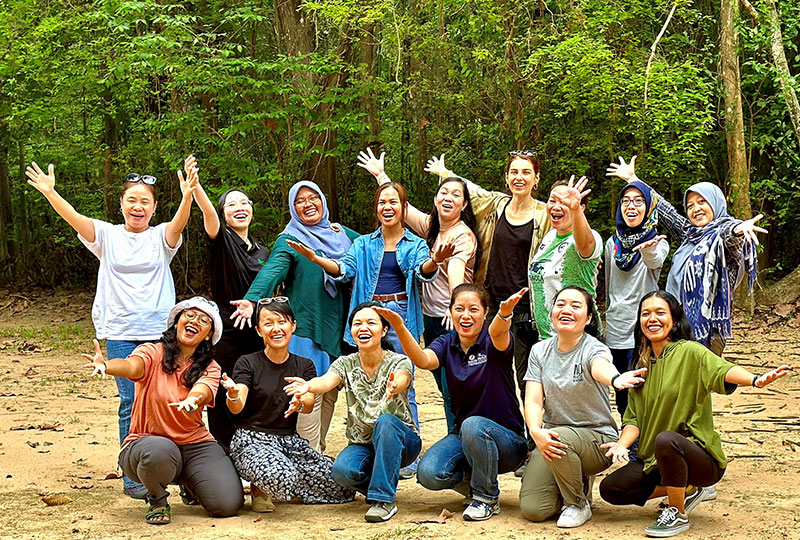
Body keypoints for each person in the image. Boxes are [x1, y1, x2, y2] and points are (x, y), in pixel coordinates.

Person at [27, 160, 196, 499]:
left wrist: (188, 195)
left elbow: (179, 224)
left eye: (145, 201)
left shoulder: (161, 237)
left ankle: (178, 472)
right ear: (121, 204)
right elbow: (73, 217)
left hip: (160, 333)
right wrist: (50, 192)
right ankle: (134, 474)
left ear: (153, 207)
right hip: (120, 331)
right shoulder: (106, 235)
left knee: (172, 398)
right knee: (129, 401)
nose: (138, 206)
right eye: (132, 200)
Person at [288, 182, 453, 477]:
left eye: (393, 202)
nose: (387, 207)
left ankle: (407, 454)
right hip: (368, 316)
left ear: (403, 208)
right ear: (376, 208)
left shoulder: (414, 244)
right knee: (366, 382)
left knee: (405, 384)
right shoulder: (363, 243)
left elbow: (422, 271)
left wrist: (435, 261)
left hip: (401, 315)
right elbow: (344, 269)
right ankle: (371, 444)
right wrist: (316, 259)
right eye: (381, 202)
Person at [598, 290, 790, 537]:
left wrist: (755, 380)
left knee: (666, 440)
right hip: (654, 460)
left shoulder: (690, 352)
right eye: (646, 313)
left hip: (699, 459)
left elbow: (723, 370)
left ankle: (677, 513)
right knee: (611, 489)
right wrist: (622, 446)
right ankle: (685, 488)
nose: (652, 318)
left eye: (660, 312)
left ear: (674, 320)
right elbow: (633, 420)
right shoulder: (640, 367)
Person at [81, 297, 244, 525]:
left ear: (209, 334)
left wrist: (192, 400)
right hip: (147, 444)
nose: (195, 320)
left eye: (203, 320)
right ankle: (157, 499)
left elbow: (204, 390)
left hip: (194, 444)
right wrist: (107, 366)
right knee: (159, 451)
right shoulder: (152, 352)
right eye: (189, 315)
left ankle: (191, 483)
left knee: (227, 504)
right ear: (176, 321)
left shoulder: (210, 366)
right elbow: (131, 366)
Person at [377, 285, 529, 522]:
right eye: (459, 309)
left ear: (485, 312)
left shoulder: (493, 340)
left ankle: (486, 498)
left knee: (473, 425)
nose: (466, 315)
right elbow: (423, 360)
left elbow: (500, 331)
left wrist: (505, 314)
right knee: (429, 473)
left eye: (473, 309)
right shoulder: (447, 343)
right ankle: (476, 483)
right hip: (464, 436)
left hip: (507, 442)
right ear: (451, 312)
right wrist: (399, 326)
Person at [230, 180, 358, 453]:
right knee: (306, 392)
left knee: (329, 393)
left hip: (341, 328)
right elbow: (272, 270)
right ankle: (303, 456)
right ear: (292, 207)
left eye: (313, 197)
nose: (307, 204)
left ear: (323, 200)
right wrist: (252, 301)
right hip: (307, 329)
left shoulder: (344, 235)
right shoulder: (291, 239)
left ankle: (315, 454)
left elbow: (376, 249)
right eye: (300, 200)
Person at [358, 147, 480, 433]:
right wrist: (380, 175)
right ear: (436, 199)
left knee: (456, 386)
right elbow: (400, 207)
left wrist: (456, 304)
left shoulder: (463, 235)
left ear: (464, 205)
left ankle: (462, 439)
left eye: (455, 196)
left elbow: (456, 270)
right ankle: (457, 437)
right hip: (429, 318)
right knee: (443, 383)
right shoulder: (431, 228)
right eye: (443, 193)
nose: (448, 199)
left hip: (452, 319)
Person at [424, 152, 549, 413]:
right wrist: (444, 174)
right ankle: (488, 428)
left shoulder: (545, 214)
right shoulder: (496, 206)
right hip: (490, 306)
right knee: (486, 373)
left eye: (526, 172)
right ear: (506, 177)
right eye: (514, 172)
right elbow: (471, 190)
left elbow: (566, 239)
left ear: (536, 179)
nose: (519, 177)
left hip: (527, 311)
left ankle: (531, 441)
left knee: (528, 380)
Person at [607, 156, 767, 355]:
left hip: (707, 328)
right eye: (690, 205)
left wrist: (738, 228)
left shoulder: (724, 237)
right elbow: (664, 209)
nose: (696, 208)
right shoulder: (689, 233)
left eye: (702, 202)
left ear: (715, 204)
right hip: (674, 323)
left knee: (696, 380)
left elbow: (728, 235)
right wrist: (633, 179)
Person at [519, 286, 646, 528]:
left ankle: (577, 503)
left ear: (588, 318)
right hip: (553, 440)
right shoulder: (540, 351)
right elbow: (533, 400)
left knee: (561, 438)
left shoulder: (594, 348)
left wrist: (616, 379)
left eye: (576, 306)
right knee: (534, 509)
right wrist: (536, 432)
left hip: (597, 441)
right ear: (552, 312)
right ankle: (573, 479)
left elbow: (600, 367)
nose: (566, 310)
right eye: (561, 304)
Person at [283, 303, 420, 523]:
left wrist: (397, 385)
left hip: (403, 441)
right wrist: (308, 386)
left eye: (371, 323)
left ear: (384, 330)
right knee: (342, 472)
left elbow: (403, 376)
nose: (363, 327)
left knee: (386, 422)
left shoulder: (398, 360)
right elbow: (327, 381)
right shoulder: (345, 363)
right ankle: (379, 484)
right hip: (364, 443)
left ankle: (383, 500)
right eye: (357, 323)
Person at [222, 297, 355, 513]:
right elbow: (237, 406)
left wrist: (301, 399)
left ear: (293, 325)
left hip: (290, 443)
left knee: (343, 487)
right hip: (252, 439)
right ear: (258, 330)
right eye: (268, 323)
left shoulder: (304, 365)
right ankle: (261, 486)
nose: (276, 329)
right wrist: (234, 395)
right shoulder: (248, 362)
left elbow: (308, 405)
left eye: (282, 322)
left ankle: (281, 478)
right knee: (281, 475)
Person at [188, 156, 269, 454]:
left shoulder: (262, 250)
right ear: (224, 213)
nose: (240, 208)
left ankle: (251, 457)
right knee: (223, 394)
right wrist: (197, 189)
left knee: (252, 393)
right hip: (226, 331)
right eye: (232, 205)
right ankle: (220, 457)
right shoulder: (221, 240)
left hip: (257, 332)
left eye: (245, 203)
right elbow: (208, 216)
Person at [604, 180, 669, 416]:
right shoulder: (612, 243)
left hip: (643, 328)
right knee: (621, 392)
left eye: (639, 201)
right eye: (626, 201)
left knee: (643, 391)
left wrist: (647, 247)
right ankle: (628, 445)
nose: (631, 206)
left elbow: (655, 262)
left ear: (649, 207)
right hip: (615, 326)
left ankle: (643, 447)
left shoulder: (659, 242)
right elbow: (610, 283)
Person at [529, 175, 603, 340]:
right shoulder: (549, 237)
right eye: (552, 200)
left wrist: (574, 209)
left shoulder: (590, 238)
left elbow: (585, 246)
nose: (556, 206)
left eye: (564, 202)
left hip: (578, 340)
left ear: (581, 207)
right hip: (547, 339)